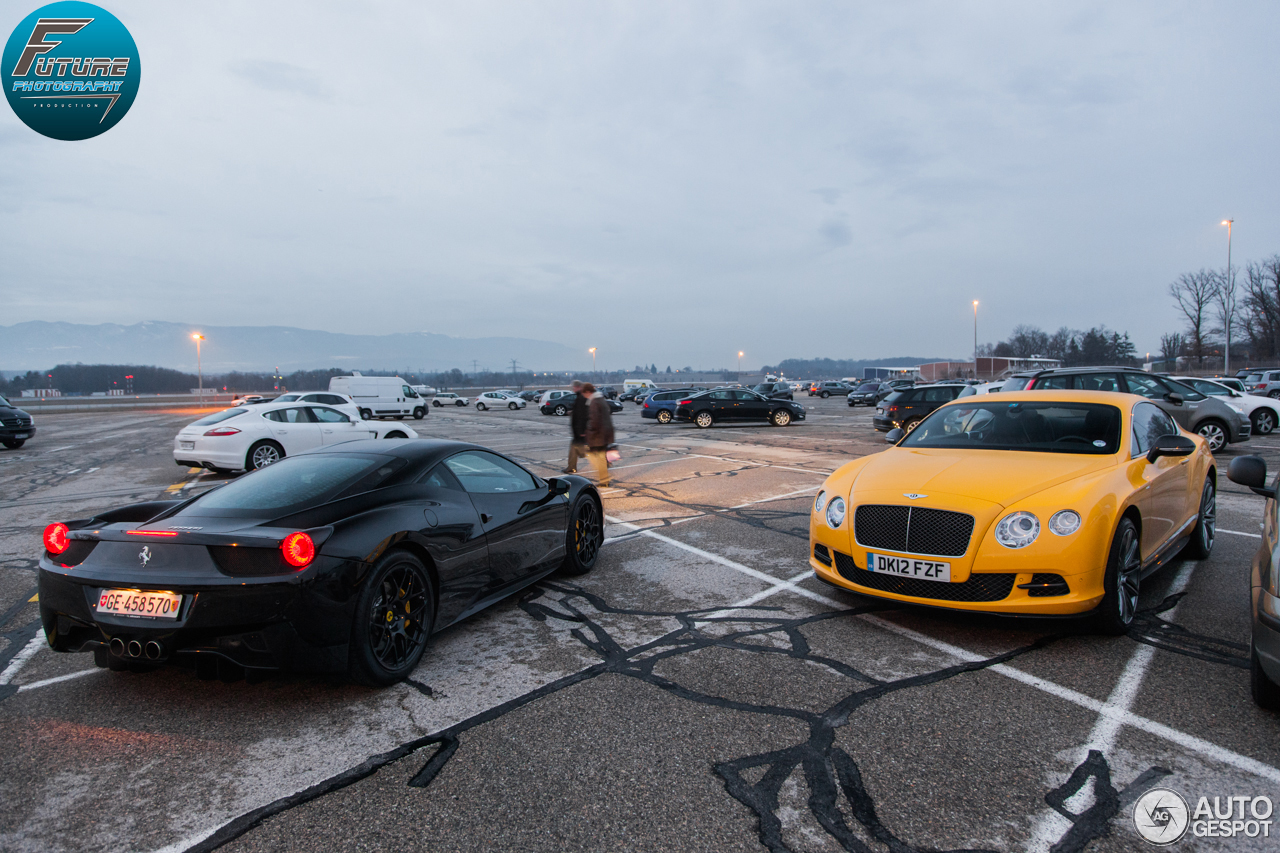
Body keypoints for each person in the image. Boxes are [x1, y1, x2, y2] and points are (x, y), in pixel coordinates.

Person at [583, 382, 615, 487]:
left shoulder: (594, 402)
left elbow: (594, 420)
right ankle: (605, 474)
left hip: (598, 435)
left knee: (597, 457)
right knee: (600, 457)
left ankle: (604, 480)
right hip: (606, 433)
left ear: (588, 392)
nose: (584, 396)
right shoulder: (601, 400)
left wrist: (589, 429)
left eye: (584, 394)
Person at [564, 380, 588, 474]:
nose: (573, 388)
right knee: (574, 448)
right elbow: (579, 412)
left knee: (584, 450)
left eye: (574, 387)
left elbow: (583, 415)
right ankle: (571, 467)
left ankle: (604, 458)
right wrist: (572, 412)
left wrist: (582, 430)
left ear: (578, 387)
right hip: (577, 430)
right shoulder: (579, 397)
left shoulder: (581, 398)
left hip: (580, 430)